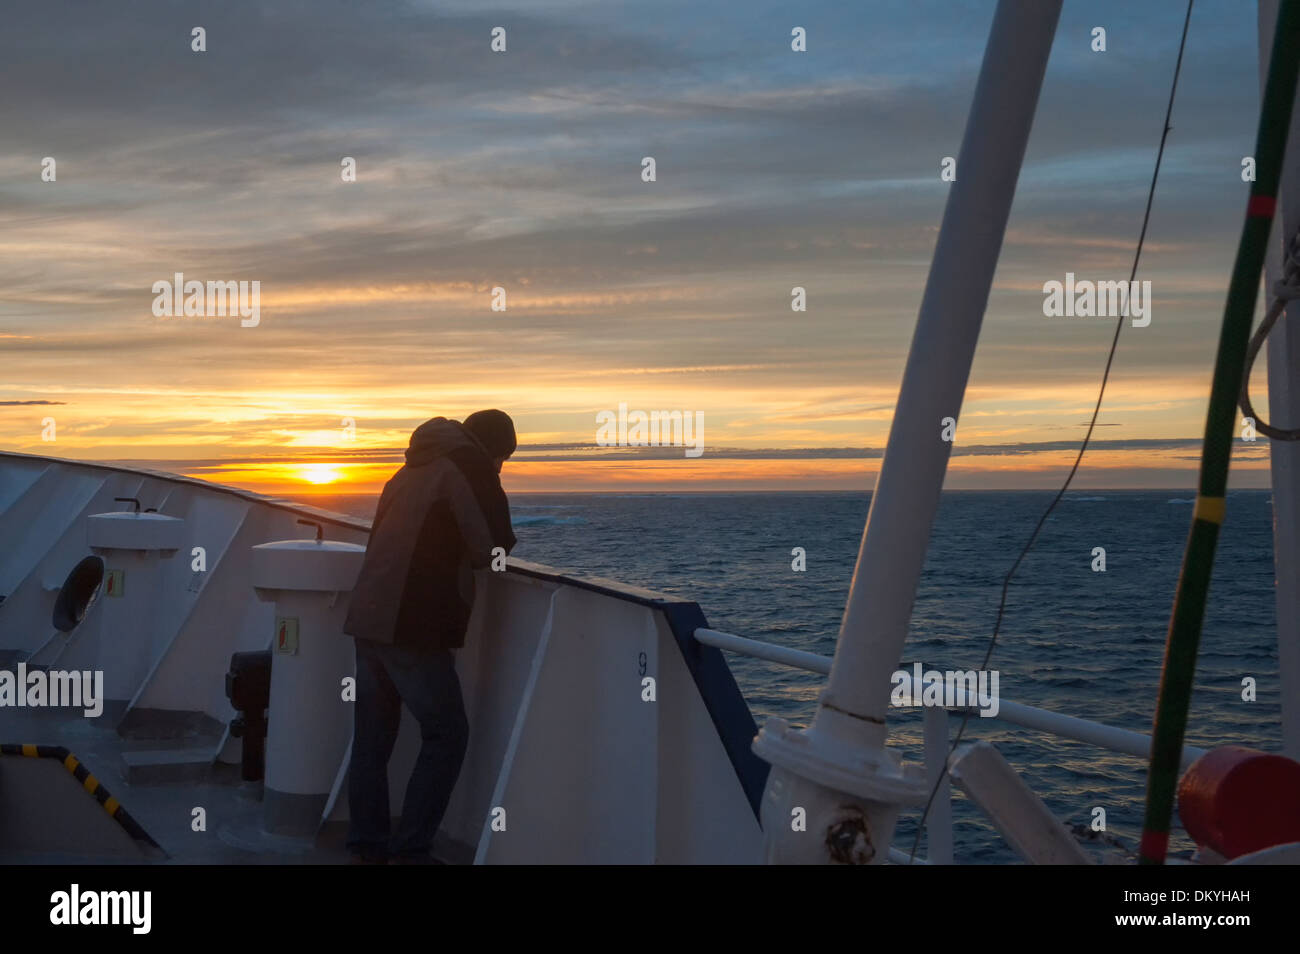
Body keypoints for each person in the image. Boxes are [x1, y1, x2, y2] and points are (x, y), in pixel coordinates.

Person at [342, 409, 517, 864]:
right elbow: (491, 547)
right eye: (504, 458)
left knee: (372, 739)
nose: (501, 468)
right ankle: (412, 848)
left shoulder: (411, 466)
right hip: (412, 623)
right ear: (493, 448)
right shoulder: (470, 465)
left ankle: (366, 844)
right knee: (447, 734)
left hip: (368, 615)